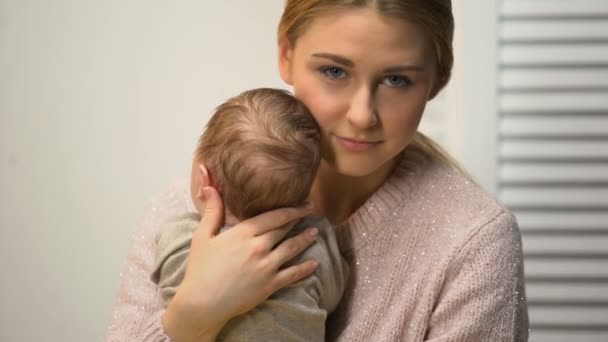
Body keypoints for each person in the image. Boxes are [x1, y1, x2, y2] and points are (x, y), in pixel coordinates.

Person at [107, 0, 529, 341]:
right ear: (286, 55)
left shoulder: (473, 243)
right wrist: (191, 319)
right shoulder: (186, 203)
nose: (362, 115)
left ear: (438, 79)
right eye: (334, 71)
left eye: (397, 80)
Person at [150, 88, 348, 341]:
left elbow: (161, 286)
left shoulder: (178, 239)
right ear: (304, 196)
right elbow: (333, 295)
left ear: (203, 179)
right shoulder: (312, 240)